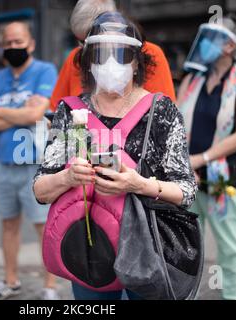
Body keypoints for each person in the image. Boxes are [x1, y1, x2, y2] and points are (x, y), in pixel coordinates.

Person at [33, 12, 197, 300]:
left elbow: (186, 190)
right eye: (100, 55)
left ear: (136, 63)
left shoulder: (162, 111)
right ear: (88, 62)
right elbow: (41, 190)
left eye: (120, 54)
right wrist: (68, 176)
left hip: (148, 247)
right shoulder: (69, 111)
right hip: (88, 247)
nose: (109, 63)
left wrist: (138, 184)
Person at [177, 14, 236, 300]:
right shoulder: (192, 78)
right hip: (188, 177)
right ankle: (188, 294)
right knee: (186, 244)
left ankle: (233, 296)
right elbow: (175, 122)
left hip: (222, 178)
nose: (206, 44)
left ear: (229, 46)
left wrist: (202, 158)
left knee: (229, 245)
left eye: (214, 38)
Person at [0, 21, 59, 300]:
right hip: (3, 164)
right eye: (8, 43)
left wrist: (0, 112)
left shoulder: (45, 71)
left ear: (31, 44)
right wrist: (19, 112)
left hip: (35, 164)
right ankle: (10, 280)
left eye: (18, 42)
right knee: (8, 225)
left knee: (44, 227)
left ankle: (49, 287)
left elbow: (35, 115)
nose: (13, 47)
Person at [49, 0, 176, 112]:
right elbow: (55, 111)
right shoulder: (76, 56)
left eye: (92, 41)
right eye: (82, 42)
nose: (85, 49)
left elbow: (165, 113)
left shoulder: (150, 53)